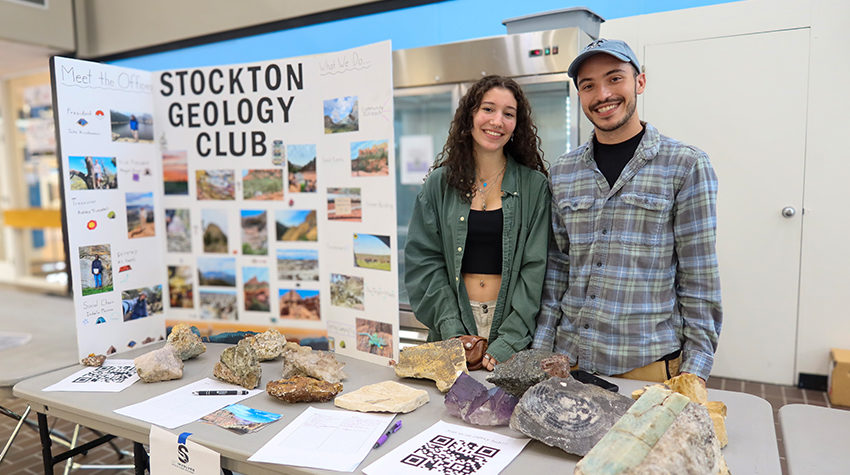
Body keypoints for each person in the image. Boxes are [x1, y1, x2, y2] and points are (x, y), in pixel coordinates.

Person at [533, 39, 722, 385]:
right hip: (568, 361)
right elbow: (557, 270)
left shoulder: (685, 165)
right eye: (588, 85)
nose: (602, 94)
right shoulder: (563, 171)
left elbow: (699, 279)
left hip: (645, 367)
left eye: (614, 78)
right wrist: (541, 351)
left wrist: (694, 372)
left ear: (640, 82)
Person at [405, 75, 551, 371]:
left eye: (508, 114)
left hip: (513, 329)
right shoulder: (438, 184)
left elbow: (535, 270)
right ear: (470, 116)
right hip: (451, 322)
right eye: (488, 109)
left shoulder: (534, 187)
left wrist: (509, 340)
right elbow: (423, 261)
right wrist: (452, 330)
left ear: (516, 125)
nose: (497, 121)